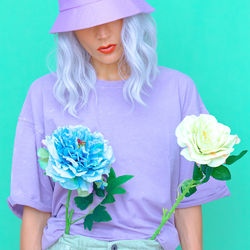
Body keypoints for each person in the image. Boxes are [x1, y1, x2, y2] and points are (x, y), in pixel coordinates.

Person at [7, 0, 231, 249]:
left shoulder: (178, 90)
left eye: (112, 19)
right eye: (87, 22)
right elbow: (36, 208)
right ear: (70, 31)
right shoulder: (44, 94)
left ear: (132, 19)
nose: (102, 34)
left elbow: (187, 202)